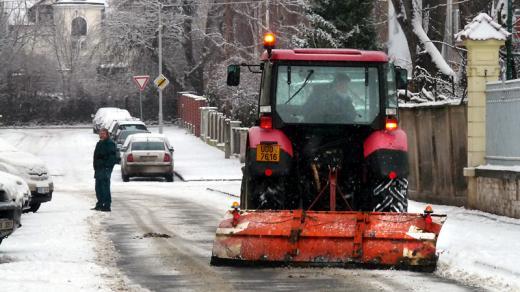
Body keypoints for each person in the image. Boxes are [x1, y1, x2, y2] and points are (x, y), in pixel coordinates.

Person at [92, 128, 116, 211]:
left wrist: (107, 166)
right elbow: (95, 156)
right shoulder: (99, 143)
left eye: (103, 133)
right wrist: (95, 166)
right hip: (98, 169)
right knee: (98, 187)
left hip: (105, 169)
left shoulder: (110, 143)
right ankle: (100, 203)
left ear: (107, 134)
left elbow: (112, 157)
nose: (101, 135)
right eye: (100, 133)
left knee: (105, 187)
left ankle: (107, 205)